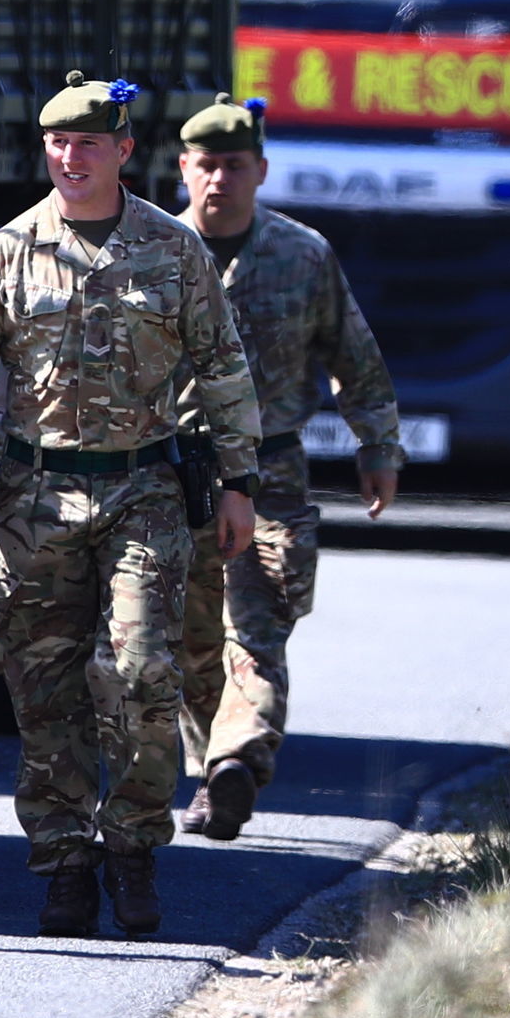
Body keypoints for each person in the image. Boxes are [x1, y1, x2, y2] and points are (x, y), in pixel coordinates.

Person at [0, 74, 261, 941]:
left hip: (143, 490)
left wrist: (238, 482)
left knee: (145, 671)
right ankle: (66, 862)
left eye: (86, 144)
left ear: (122, 149)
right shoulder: (5, 251)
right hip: (36, 499)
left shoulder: (170, 248)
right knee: (43, 691)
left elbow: (221, 364)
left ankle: (135, 846)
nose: (69, 159)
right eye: (56, 144)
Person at [168, 98, 403, 842]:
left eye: (235, 166)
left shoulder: (304, 255)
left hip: (272, 475)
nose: (219, 180)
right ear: (183, 167)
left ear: (260, 171)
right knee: (188, 638)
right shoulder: (155, 251)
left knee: (257, 631)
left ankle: (236, 757)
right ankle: (212, 765)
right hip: (176, 475)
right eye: (206, 164)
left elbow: (354, 356)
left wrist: (378, 447)